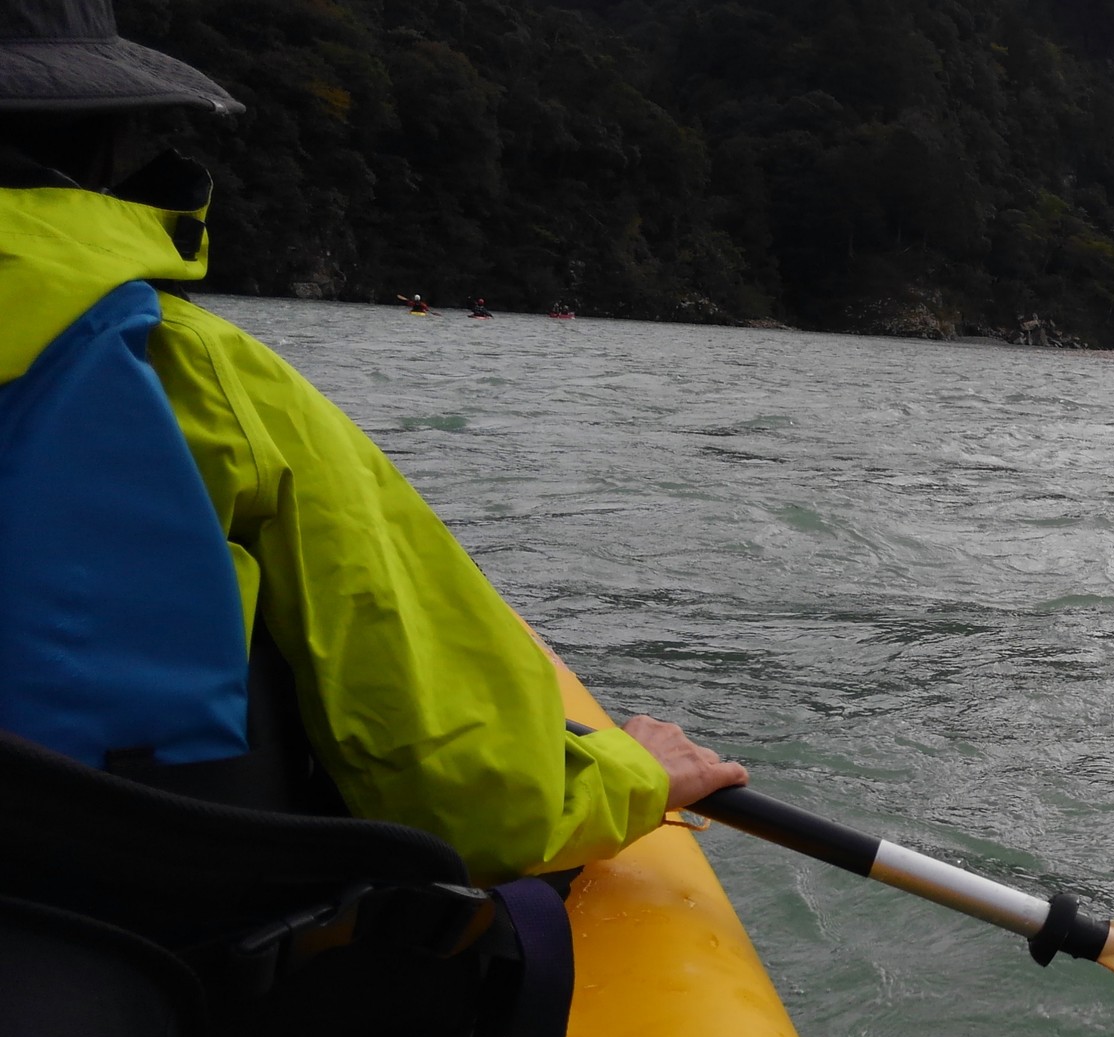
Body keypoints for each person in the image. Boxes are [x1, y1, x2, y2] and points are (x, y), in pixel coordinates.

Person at [0, 16, 745, 880]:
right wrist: (629, 771)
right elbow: (475, 804)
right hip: (104, 937)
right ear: (104, 141)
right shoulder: (187, 367)